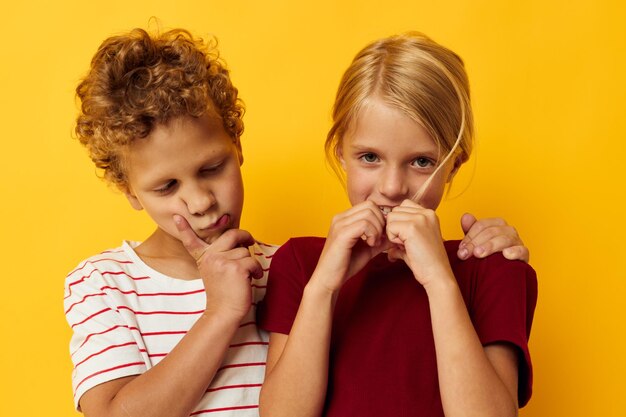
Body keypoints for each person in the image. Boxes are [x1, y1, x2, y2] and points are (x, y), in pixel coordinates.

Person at [64, 27, 531, 417]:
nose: (201, 201)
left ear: (238, 149)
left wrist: (462, 264)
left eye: (212, 168)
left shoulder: (278, 265)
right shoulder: (104, 282)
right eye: (167, 187)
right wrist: (223, 312)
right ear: (128, 190)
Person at [257, 32, 538, 417]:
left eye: (421, 162)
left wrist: (440, 282)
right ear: (340, 152)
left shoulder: (491, 266)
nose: (392, 188)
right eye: (369, 157)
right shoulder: (302, 264)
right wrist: (323, 287)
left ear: (454, 162)